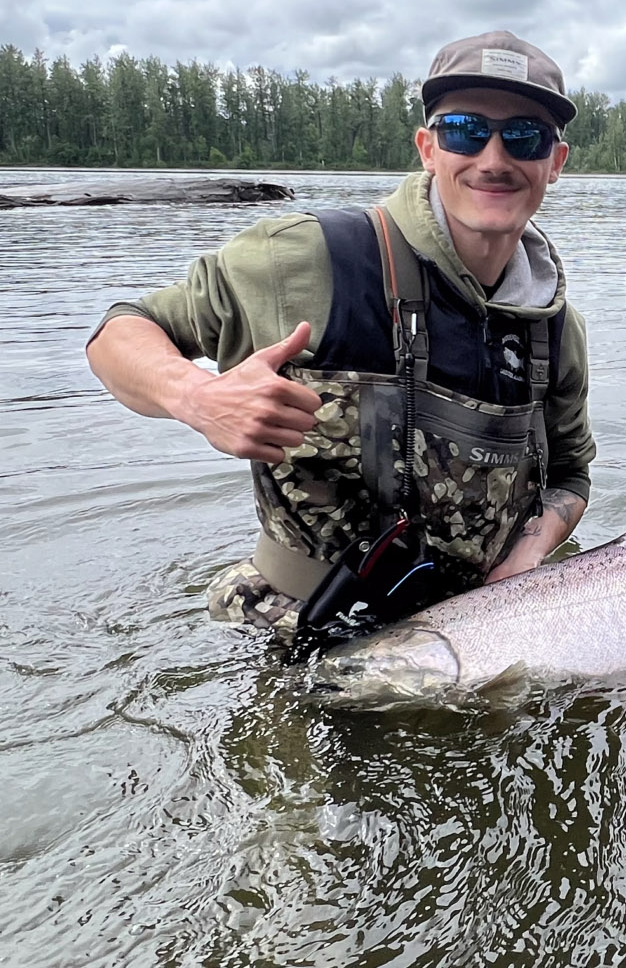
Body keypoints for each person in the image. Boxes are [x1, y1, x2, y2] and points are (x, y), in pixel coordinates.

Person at [88, 31, 594, 641]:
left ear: (555, 164)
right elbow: (120, 331)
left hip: (484, 631)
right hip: (297, 629)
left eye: (524, 137)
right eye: (465, 130)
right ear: (428, 149)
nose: (493, 159)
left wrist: (531, 551)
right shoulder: (308, 260)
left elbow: (570, 473)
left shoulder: (555, 328)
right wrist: (196, 397)